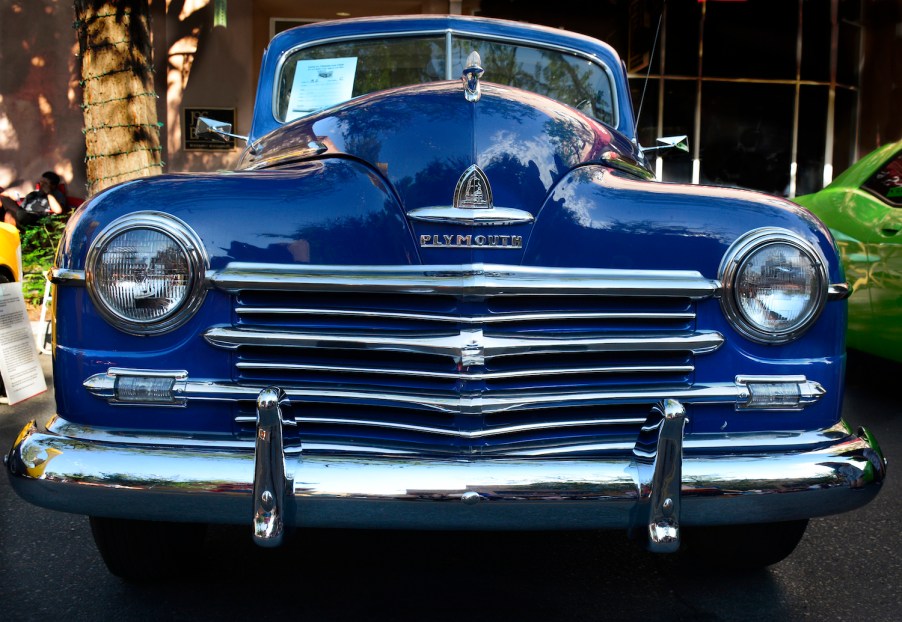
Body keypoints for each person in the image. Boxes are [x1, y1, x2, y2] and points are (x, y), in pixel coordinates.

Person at [0, 171, 70, 228]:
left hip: (36, 218)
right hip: (23, 214)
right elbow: (22, 206)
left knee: (9, 211)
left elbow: (58, 210)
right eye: (41, 182)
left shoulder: (57, 195)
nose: (42, 184)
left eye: (45, 183)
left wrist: (48, 193)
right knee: (7, 208)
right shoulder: (34, 193)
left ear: (53, 186)